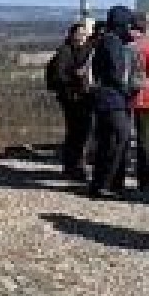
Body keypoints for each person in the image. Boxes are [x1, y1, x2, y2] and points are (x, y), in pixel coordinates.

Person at [88, 5, 137, 198]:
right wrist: (127, 91)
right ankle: (105, 183)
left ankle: (104, 183)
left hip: (107, 98)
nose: (130, 29)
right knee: (118, 138)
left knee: (109, 140)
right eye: (127, 25)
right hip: (112, 99)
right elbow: (116, 73)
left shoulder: (108, 41)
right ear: (121, 24)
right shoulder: (112, 43)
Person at [46, 21, 94, 179]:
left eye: (84, 33)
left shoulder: (89, 50)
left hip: (85, 97)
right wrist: (76, 74)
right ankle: (72, 167)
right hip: (70, 98)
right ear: (72, 35)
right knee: (75, 132)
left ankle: (77, 165)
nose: (82, 36)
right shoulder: (64, 52)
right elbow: (59, 76)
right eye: (79, 33)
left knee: (84, 132)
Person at [127, 12, 149, 196]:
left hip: (123, 96)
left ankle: (118, 176)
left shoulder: (124, 42)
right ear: (145, 26)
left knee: (123, 138)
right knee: (143, 140)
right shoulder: (148, 45)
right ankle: (143, 181)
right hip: (143, 96)